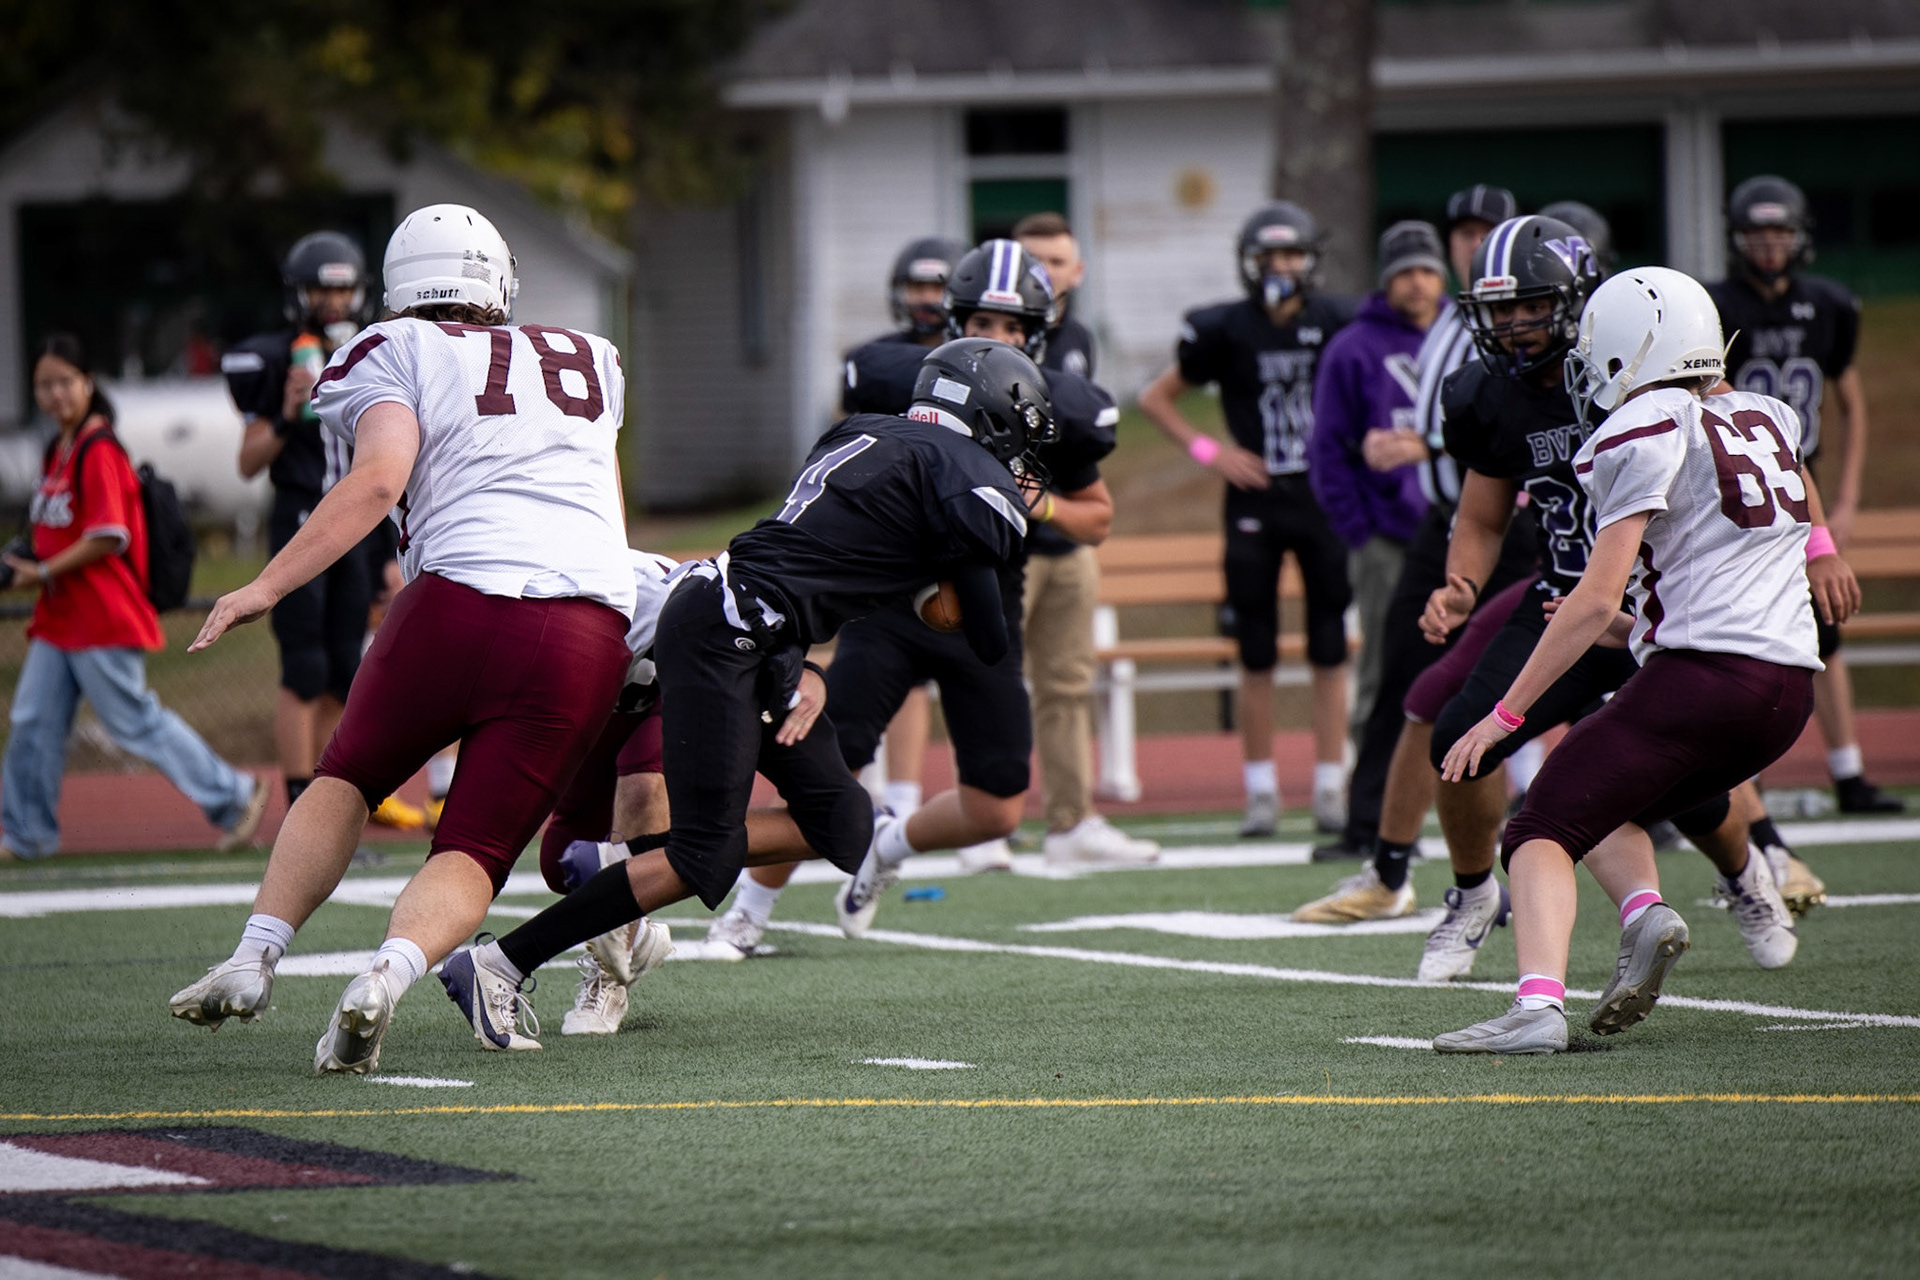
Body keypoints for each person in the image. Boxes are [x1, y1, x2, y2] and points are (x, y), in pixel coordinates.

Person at [435, 338, 1042, 1051]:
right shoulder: (967, 474)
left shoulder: (866, 430)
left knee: (845, 826)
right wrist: (952, 581)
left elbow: (830, 554)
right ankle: (496, 964)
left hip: (754, 627)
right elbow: (989, 638)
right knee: (703, 857)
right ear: (994, 416)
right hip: (731, 632)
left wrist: (810, 663)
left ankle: (628, 860)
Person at [168, 203, 636, 1075]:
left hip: (459, 598)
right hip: (589, 623)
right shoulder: (590, 358)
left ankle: (255, 955)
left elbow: (380, 479)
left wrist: (265, 585)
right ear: (497, 282)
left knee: (347, 776)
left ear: (397, 287)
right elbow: (604, 516)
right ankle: (389, 972)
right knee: (474, 849)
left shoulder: (391, 349)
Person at [1433, 266, 1853, 1054]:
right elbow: (1720, 571)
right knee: (1608, 806)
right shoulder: (1769, 417)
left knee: (1538, 828)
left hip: (1702, 681)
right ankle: (1645, 913)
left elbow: (1591, 599)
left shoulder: (1642, 425)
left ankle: (1537, 1009)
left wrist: (1502, 717)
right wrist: (1638, 624)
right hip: (1786, 692)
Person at [701, 240, 1135, 958]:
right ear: (950, 317)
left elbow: (1098, 517)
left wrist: (1039, 507)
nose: (993, 340)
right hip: (892, 607)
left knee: (997, 806)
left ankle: (888, 848)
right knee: (826, 767)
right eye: (980, 322)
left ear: (1037, 332)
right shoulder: (902, 377)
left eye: (1010, 327)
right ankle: (747, 910)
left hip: (986, 605)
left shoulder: (1050, 401)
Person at [1310, 184, 1527, 864]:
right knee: (1408, 681)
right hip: (1438, 527)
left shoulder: (1523, 319)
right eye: (1461, 233)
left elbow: (1528, 419)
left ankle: (1653, 807)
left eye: (1485, 231)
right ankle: (1375, 830)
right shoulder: (1448, 319)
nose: (1470, 245)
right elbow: (1331, 446)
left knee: (1556, 674)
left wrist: (1427, 445)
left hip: (1513, 528)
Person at [1, 335, 270, 860]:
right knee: (33, 722)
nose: (55, 394)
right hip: (61, 618)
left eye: (64, 382)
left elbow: (110, 534)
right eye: (44, 385)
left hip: (103, 616)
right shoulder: (58, 448)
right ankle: (28, 834)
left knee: (134, 722)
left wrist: (41, 570)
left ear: (87, 384)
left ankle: (236, 796)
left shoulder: (97, 447)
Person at [1137, 201, 1357, 836]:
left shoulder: (1337, 322)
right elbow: (1156, 397)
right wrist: (1212, 451)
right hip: (1255, 501)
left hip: (1320, 501)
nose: (1280, 267)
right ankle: (1260, 790)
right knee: (1255, 650)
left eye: (1290, 254)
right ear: (1249, 262)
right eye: (1269, 256)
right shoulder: (1228, 329)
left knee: (1328, 648)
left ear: (1310, 260)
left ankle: (1328, 786)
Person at [1707, 175, 1903, 816]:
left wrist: (1843, 501)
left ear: (1800, 239)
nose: (1769, 246)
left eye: (1780, 233)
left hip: (1803, 488)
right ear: (1738, 240)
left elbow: (1850, 402)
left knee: (1827, 632)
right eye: (1757, 234)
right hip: (1740, 492)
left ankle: (1848, 773)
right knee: (1739, 636)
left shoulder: (1829, 305)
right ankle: (1744, 783)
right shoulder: (1717, 307)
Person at [222, 232, 418, 830]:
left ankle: (327, 813)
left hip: (361, 529)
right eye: (320, 289)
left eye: (341, 288)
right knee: (304, 667)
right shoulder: (278, 357)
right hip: (303, 520)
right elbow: (249, 461)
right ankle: (296, 808)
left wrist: (389, 547)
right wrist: (286, 412)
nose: (332, 301)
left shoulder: (375, 351)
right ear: (297, 293)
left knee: (342, 670)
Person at [1011, 212, 1157, 867]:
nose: (1045, 271)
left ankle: (1069, 820)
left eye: (1056, 259)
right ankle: (984, 818)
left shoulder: (1077, 340)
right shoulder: (983, 329)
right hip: (998, 542)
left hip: (1063, 535)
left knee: (1067, 685)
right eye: (1031, 258)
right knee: (985, 681)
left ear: (1079, 270)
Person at [1306, 220, 1444, 753]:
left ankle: (1486, 783)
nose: (1416, 283)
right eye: (1404, 272)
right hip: (1387, 537)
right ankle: (1374, 789)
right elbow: (1327, 450)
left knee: (1478, 660)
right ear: (1385, 279)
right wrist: (1358, 530)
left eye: (1426, 271)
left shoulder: (1462, 334)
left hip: (1462, 530)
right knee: (1385, 667)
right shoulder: (1353, 348)